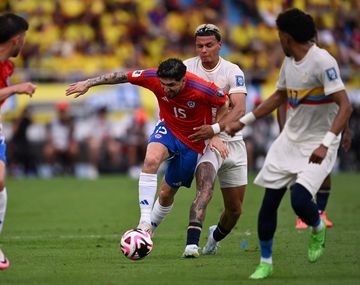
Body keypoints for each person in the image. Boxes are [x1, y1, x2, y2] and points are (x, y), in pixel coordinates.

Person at [225, 8, 352, 279]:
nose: (278, 40)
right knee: (268, 203)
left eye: (279, 35)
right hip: (289, 140)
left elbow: (345, 105)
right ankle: (266, 262)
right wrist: (243, 121)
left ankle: (318, 227)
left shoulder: (322, 62)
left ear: (286, 36)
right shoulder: (289, 62)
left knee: (299, 200)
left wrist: (327, 143)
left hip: (319, 141)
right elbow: (278, 97)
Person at [65, 58, 227, 236]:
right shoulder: (152, 77)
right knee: (151, 159)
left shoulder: (202, 88)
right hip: (168, 128)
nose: (166, 89)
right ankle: (143, 222)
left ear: (183, 80)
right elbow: (121, 76)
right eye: (163, 84)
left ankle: (150, 230)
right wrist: (89, 83)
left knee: (166, 194)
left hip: (193, 140)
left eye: (171, 85)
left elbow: (224, 102)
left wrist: (215, 132)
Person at [168, 24, 247, 258]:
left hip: (232, 142)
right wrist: (209, 135)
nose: (203, 50)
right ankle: (192, 245)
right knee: (205, 188)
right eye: (199, 45)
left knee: (234, 210)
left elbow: (239, 109)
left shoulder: (232, 71)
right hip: (205, 142)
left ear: (219, 45)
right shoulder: (186, 68)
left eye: (209, 45)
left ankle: (214, 237)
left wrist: (215, 130)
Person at [0, 13, 36, 270]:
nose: (24, 43)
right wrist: (15, 89)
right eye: (24, 38)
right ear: (16, 39)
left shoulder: (7, 66)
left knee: (0, 180)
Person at [278, 104, 352, 229]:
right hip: (298, 129)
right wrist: (282, 130)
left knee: (322, 169)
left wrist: (346, 130)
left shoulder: (328, 85)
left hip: (323, 130)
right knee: (297, 169)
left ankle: (321, 212)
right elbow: (280, 102)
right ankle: (302, 216)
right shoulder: (292, 84)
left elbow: (342, 105)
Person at [43, 101, 78, 176]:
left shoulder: (70, 122)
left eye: (64, 111)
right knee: (48, 150)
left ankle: (70, 167)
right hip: (55, 145)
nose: (62, 113)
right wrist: (55, 145)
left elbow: (72, 137)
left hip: (66, 145)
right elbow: (49, 137)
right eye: (61, 111)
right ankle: (52, 169)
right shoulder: (52, 122)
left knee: (73, 149)